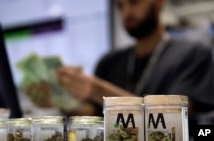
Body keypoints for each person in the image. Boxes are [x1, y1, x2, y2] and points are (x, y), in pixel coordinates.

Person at [55, 0, 214, 139]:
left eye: (134, 2)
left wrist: (98, 90)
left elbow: (173, 123)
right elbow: (90, 116)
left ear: (159, 1)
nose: (126, 13)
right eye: (120, 6)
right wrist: (59, 99)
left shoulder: (193, 56)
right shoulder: (109, 62)